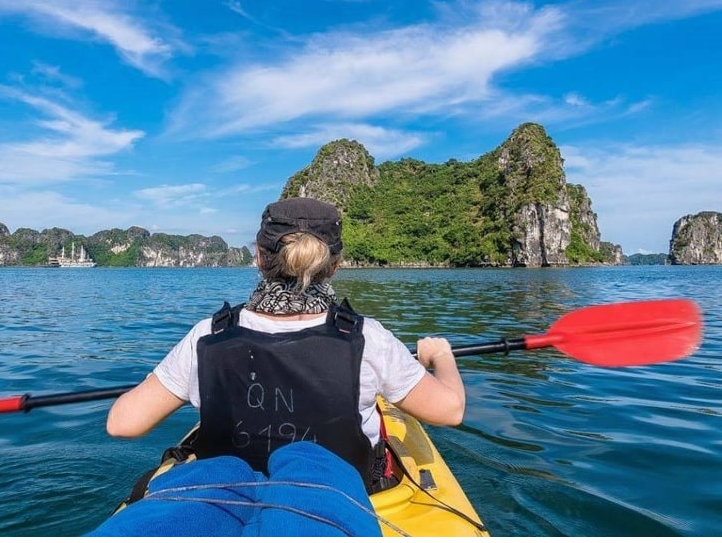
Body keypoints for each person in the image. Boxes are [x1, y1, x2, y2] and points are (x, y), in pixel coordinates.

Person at [103, 196, 466, 494]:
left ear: (259, 258)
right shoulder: (366, 337)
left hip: (229, 497)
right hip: (336, 501)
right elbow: (450, 411)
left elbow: (122, 424)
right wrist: (442, 356)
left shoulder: (208, 335)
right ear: (335, 265)